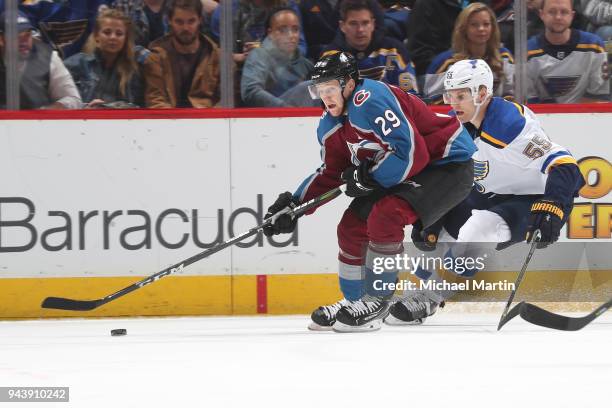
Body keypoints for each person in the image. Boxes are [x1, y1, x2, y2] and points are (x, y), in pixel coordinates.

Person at [263, 52, 477, 332]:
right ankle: (356, 300)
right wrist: (294, 205)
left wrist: (371, 178)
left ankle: (378, 298)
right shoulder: (330, 124)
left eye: (331, 88)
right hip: (407, 169)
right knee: (351, 227)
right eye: (320, 90)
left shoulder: (370, 100)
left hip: (447, 165)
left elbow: (413, 154)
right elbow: (330, 173)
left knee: (386, 215)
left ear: (350, 84)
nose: (326, 97)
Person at [386, 59, 586, 325]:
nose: (453, 103)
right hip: (490, 191)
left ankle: (430, 296)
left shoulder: (509, 124)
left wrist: (553, 204)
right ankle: (416, 293)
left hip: (534, 198)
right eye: (449, 95)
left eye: (461, 95)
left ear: (482, 93)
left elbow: (566, 165)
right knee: (435, 231)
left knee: (478, 228)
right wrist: (430, 211)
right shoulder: (456, 124)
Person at [423, 2, 514, 104]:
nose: (481, 29)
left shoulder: (504, 57)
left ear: (493, 28)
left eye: (486, 24)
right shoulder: (444, 63)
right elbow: (433, 104)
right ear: (463, 29)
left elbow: (512, 95)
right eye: (474, 25)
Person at [321, 0, 418, 93]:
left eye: (365, 23)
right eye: (353, 24)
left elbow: (411, 96)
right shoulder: (330, 58)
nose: (360, 30)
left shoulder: (394, 51)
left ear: (373, 24)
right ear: (342, 26)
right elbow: (328, 102)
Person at [527, 0, 609, 103]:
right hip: (542, 118)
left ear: (572, 15)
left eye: (564, 12)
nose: (558, 17)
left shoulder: (594, 46)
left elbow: (599, 98)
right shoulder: (528, 51)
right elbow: (528, 104)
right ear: (541, 14)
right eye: (552, 12)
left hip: (585, 117)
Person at [144, 0, 221, 108]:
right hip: (169, 120)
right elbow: (155, 100)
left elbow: (225, 100)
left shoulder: (216, 56)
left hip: (207, 119)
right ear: (169, 21)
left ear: (200, 20)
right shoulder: (156, 57)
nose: (185, 28)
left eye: (191, 21)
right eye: (179, 22)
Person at [65, 8, 145, 108]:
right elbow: (63, 103)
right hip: (85, 121)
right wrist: (84, 107)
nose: (113, 37)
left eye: (119, 34)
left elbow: (141, 107)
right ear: (96, 36)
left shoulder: (135, 68)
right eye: (107, 32)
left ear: (126, 38)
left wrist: (113, 108)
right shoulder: (75, 64)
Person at [0, 11, 81, 109]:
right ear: (1, 39)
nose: (24, 42)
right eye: (16, 36)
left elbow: (73, 99)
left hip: (39, 122)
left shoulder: (49, 58)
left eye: (27, 35)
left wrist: (47, 112)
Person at [240, 7, 315, 107]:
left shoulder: (305, 64)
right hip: (268, 118)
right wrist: (287, 110)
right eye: (282, 30)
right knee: (307, 86)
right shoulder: (259, 56)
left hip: (302, 119)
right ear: (270, 33)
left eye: (295, 29)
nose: (290, 35)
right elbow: (251, 91)